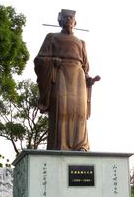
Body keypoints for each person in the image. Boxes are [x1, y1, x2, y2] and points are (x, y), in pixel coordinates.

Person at [34, 9, 95, 151]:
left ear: (75, 22)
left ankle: (80, 145)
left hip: (79, 77)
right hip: (60, 73)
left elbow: (85, 67)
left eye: (71, 18)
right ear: (60, 21)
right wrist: (52, 61)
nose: (68, 20)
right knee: (62, 109)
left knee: (79, 111)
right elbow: (40, 60)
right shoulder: (52, 37)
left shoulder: (81, 42)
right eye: (65, 17)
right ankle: (60, 144)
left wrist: (88, 79)